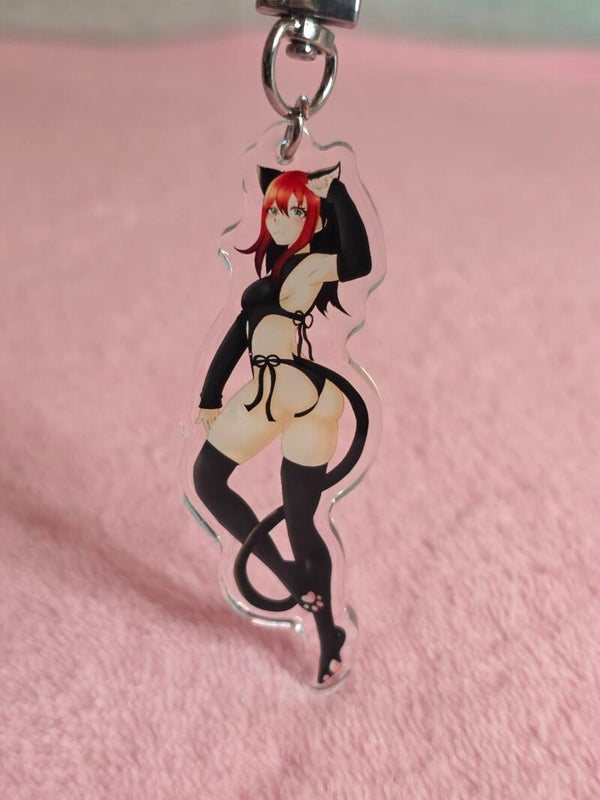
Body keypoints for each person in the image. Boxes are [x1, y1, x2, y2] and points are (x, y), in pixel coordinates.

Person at [192, 164, 372, 684]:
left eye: (296, 210)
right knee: (301, 524)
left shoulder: (310, 266)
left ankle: (291, 579)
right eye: (274, 209)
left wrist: (338, 194)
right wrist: (210, 394)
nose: (281, 218)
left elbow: (358, 262)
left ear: (314, 219)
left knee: (208, 478)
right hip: (313, 398)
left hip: (280, 387)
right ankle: (328, 633)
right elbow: (237, 336)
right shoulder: (275, 275)